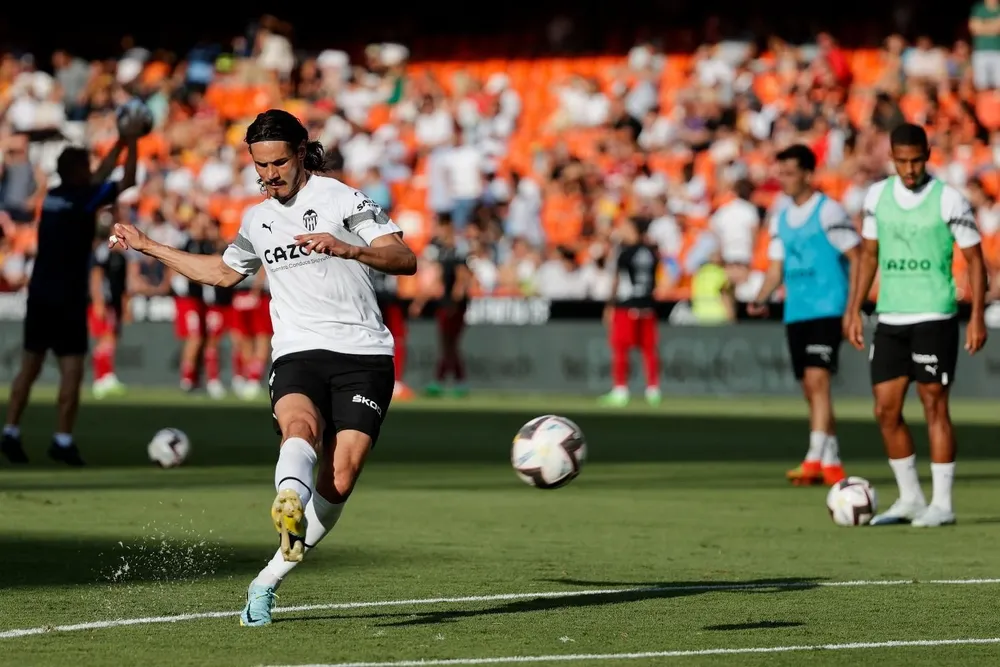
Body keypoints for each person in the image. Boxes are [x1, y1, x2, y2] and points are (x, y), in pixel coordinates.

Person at [108, 108, 416, 625]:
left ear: (301, 153)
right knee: (300, 427)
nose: (269, 176)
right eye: (260, 167)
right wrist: (148, 246)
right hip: (298, 349)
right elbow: (224, 273)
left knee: (341, 475)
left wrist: (348, 249)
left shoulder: (341, 198)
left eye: (278, 164)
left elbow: (404, 259)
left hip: (364, 354)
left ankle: (268, 577)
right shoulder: (258, 218)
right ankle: (289, 501)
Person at [844, 123, 987, 527]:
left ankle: (942, 504)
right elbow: (869, 256)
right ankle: (910, 499)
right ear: (891, 157)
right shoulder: (876, 196)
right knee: (885, 410)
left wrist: (976, 315)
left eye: (917, 160)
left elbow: (976, 260)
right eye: (902, 161)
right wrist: (853, 308)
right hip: (890, 316)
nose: (910, 169)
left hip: (935, 315)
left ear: (927, 154)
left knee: (934, 405)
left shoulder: (948, 199)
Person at [1, 126, 140, 466]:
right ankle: (62, 439)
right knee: (72, 371)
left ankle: (11, 431)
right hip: (67, 298)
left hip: (41, 294)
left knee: (29, 368)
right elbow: (127, 179)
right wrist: (131, 141)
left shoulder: (53, 195)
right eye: (86, 166)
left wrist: (120, 141)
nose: (91, 170)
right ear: (77, 170)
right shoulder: (83, 197)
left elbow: (100, 174)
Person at [749, 144, 859, 486]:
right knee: (810, 389)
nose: (783, 180)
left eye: (790, 173)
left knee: (818, 380)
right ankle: (832, 461)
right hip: (797, 310)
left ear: (809, 174)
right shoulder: (781, 216)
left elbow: (857, 257)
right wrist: (761, 296)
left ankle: (813, 458)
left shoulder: (829, 211)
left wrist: (852, 308)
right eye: (779, 173)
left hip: (828, 307)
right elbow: (776, 267)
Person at [599, 216, 661, 406]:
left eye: (625, 226)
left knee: (620, 348)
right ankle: (653, 390)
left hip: (626, 306)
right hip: (647, 306)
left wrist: (610, 304)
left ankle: (620, 390)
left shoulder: (624, 252)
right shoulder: (651, 252)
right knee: (649, 349)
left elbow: (618, 279)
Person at [409, 215, 472, 397]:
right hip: (447, 302)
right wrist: (421, 301)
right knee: (447, 344)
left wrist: (454, 301)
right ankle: (451, 380)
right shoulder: (443, 251)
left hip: (454, 304)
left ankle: (449, 381)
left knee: (449, 343)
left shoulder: (457, 251)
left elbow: (462, 278)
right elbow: (437, 279)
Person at [89, 209, 130, 399]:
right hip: (104, 302)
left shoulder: (118, 256)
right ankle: (101, 379)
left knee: (110, 338)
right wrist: (98, 300)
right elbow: (96, 274)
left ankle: (106, 376)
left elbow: (121, 284)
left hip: (112, 302)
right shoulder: (103, 251)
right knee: (105, 339)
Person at [230, 271, 272, 400]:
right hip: (241, 293)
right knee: (243, 340)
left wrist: (256, 288)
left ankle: (254, 379)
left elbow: (262, 267)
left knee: (262, 337)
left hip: (260, 294)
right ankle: (249, 377)